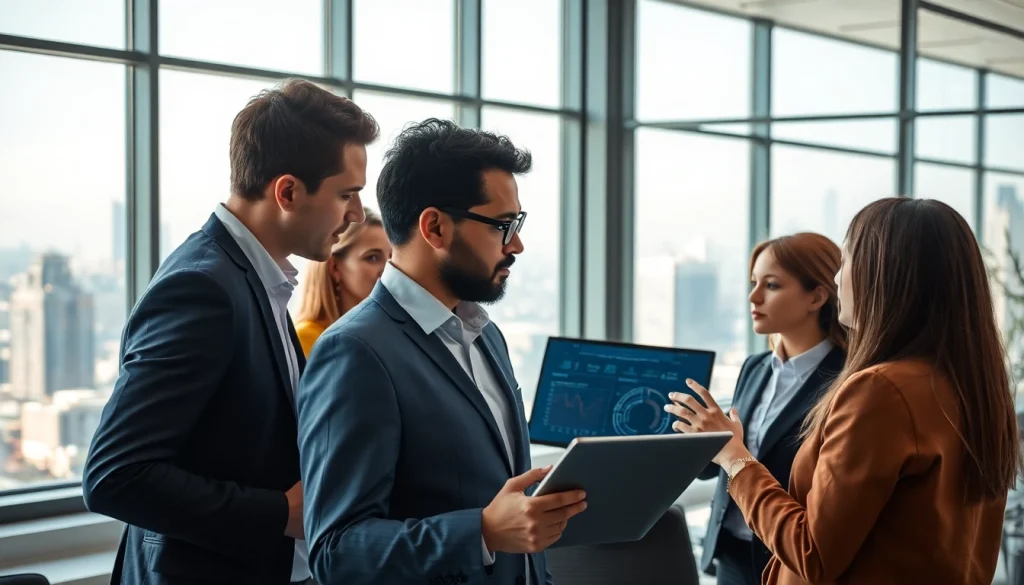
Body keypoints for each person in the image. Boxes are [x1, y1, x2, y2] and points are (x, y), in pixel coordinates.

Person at [82, 79, 379, 585]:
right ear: (286, 191)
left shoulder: (257, 277)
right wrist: (278, 514)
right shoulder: (204, 288)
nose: (354, 214)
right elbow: (115, 476)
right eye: (346, 194)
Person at [668, 197, 1022, 585]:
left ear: (884, 275)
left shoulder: (880, 391)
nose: (838, 279)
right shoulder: (974, 386)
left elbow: (813, 554)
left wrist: (736, 459)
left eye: (847, 260)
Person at [296, 118, 587, 585]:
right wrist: (483, 532)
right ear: (434, 226)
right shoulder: (355, 351)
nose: (516, 244)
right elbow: (336, 551)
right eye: (502, 226)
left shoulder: (486, 335)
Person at [698, 232, 847, 585]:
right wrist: (692, 436)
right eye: (753, 283)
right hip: (732, 555)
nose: (753, 297)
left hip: (790, 562)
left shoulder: (846, 381)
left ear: (816, 296)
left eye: (772, 285)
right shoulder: (755, 367)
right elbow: (722, 463)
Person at [294, 207, 390, 356]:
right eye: (372, 257)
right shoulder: (307, 339)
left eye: (391, 257)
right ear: (335, 267)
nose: (388, 268)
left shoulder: (382, 336)